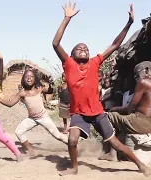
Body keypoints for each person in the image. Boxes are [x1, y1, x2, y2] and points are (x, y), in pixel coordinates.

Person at [52, 2, 150, 177]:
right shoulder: (69, 64)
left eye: (86, 48)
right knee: (72, 139)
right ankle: (74, 168)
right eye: (79, 48)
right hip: (79, 113)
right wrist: (67, 18)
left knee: (115, 143)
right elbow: (55, 43)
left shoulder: (95, 62)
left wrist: (128, 23)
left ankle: (140, 165)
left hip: (97, 112)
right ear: (72, 55)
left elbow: (115, 45)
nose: (83, 49)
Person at [0, 70, 68, 156]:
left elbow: (50, 90)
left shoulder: (39, 88)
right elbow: (10, 103)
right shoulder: (22, 93)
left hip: (43, 117)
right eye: (27, 76)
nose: (29, 78)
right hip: (32, 119)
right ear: (23, 79)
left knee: (58, 135)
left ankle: (72, 144)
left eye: (31, 76)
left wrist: (51, 82)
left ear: (35, 79)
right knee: (19, 132)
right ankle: (30, 150)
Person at [100, 62, 151, 163]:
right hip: (146, 122)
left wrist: (115, 109)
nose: (136, 78)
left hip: (143, 122)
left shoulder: (144, 82)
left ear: (146, 70)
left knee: (109, 116)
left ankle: (112, 153)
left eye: (137, 75)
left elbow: (129, 109)